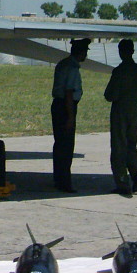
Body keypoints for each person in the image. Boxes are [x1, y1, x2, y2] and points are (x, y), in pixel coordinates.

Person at [104, 39, 137, 197]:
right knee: (132, 144)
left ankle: (122, 181)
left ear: (121, 51)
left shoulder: (119, 71)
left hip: (120, 112)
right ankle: (136, 174)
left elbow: (109, 95)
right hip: (134, 110)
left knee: (118, 146)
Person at [51, 38, 89, 192]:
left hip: (58, 105)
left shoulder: (63, 63)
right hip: (66, 107)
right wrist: (71, 117)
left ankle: (58, 178)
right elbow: (69, 93)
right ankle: (65, 182)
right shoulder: (72, 68)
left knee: (59, 144)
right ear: (81, 52)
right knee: (66, 146)